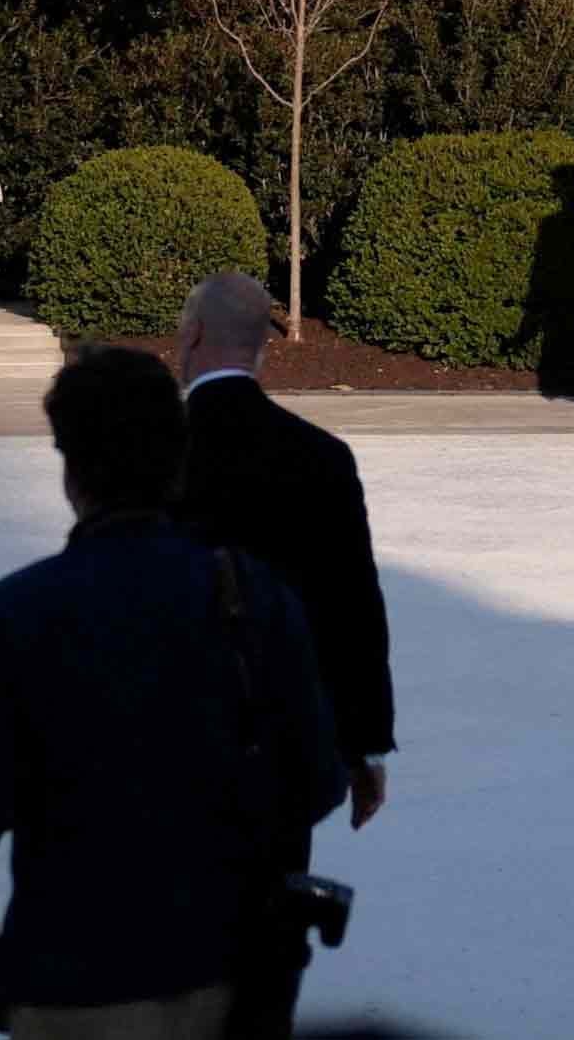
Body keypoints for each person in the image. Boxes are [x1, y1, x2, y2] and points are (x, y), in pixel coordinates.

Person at [0, 348, 342, 1040]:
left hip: (70, 974)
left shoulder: (21, 610)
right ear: (176, 459)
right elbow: (316, 782)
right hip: (226, 969)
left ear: (70, 467)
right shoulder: (252, 595)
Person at [168, 275, 393, 832]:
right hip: (285, 744)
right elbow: (354, 609)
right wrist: (364, 745)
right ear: (262, 347)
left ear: (192, 334)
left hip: (167, 739)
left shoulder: (151, 448)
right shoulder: (321, 457)